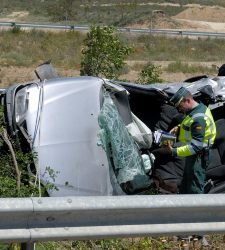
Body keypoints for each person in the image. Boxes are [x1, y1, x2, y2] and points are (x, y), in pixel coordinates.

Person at [168, 86, 216, 194]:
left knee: (195, 189)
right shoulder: (196, 109)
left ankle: (197, 210)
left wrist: (174, 151)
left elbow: (196, 146)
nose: (179, 110)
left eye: (180, 106)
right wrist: (179, 128)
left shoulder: (199, 118)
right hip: (194, 155)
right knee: (186, 185)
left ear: (187, 100)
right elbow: (190, 124)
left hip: (198, 156)